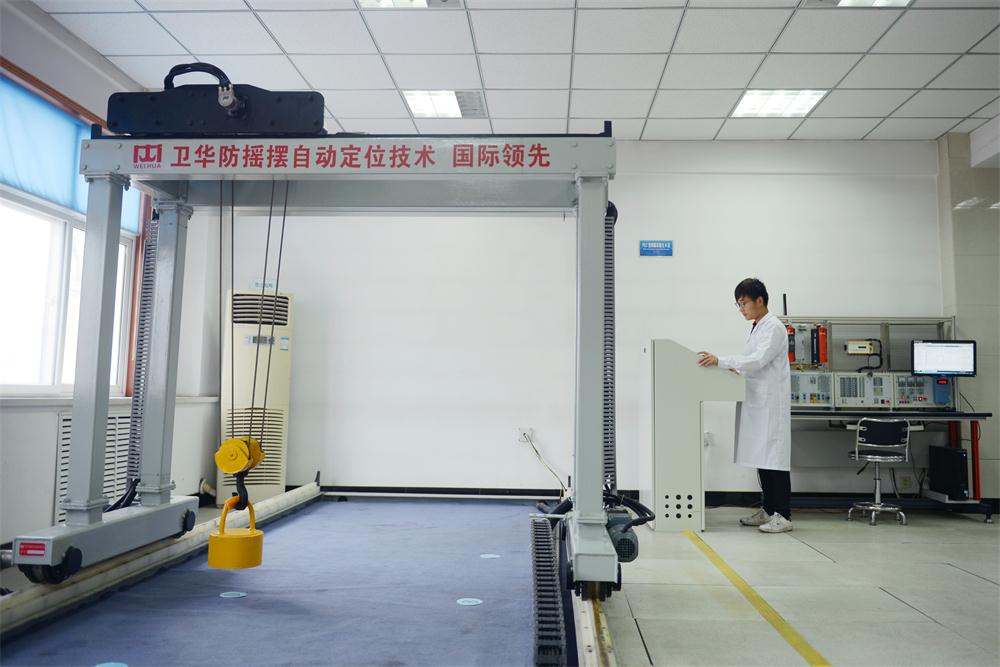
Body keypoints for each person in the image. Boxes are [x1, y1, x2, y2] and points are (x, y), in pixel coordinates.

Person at [696, 278, 793, 533]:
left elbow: (759, 359)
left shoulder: (773, 327)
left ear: (759, 300)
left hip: (771, 405)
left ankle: (783, 515)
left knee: (775, 462)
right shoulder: (757, 327)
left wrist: (721, 361)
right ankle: (768, 510)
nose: (741, 309)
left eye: (744, 303)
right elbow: (752, 362)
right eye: (738, 305)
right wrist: (734, 369)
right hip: (757, 402)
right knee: (763, 460)